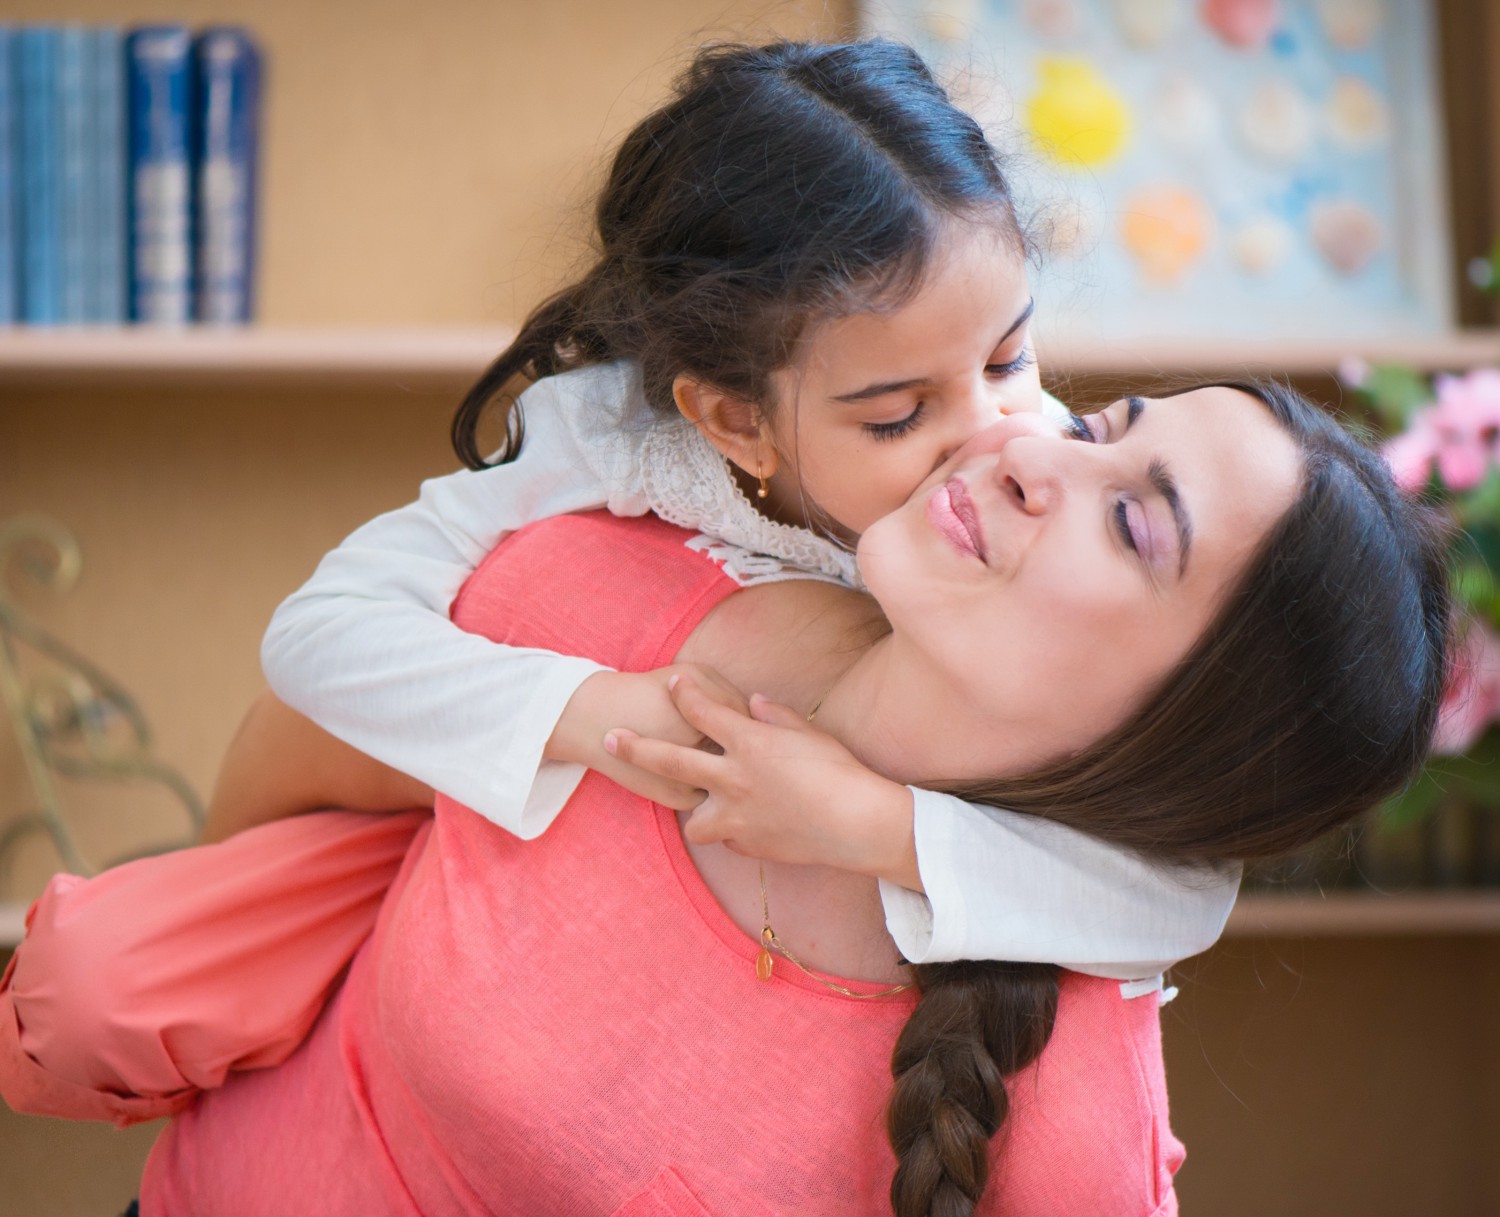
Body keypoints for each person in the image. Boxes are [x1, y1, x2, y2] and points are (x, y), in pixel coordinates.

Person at [1, 383, 1450, 1217]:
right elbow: (291, 778)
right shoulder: (599, 580)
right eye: (1104, 422)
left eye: (1133, 519)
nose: (1029, 454)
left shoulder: (1063, 1108)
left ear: (1188, 743)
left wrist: (887, 837)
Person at [252, 38, 1239, 984]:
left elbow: (1188, 891)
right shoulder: (607, 432)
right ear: (733, 420)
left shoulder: (1049, 473)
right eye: (899, 414)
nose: (995, 437)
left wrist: (873, 823)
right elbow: (318, 634)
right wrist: (591, 714)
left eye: (1007, 359)